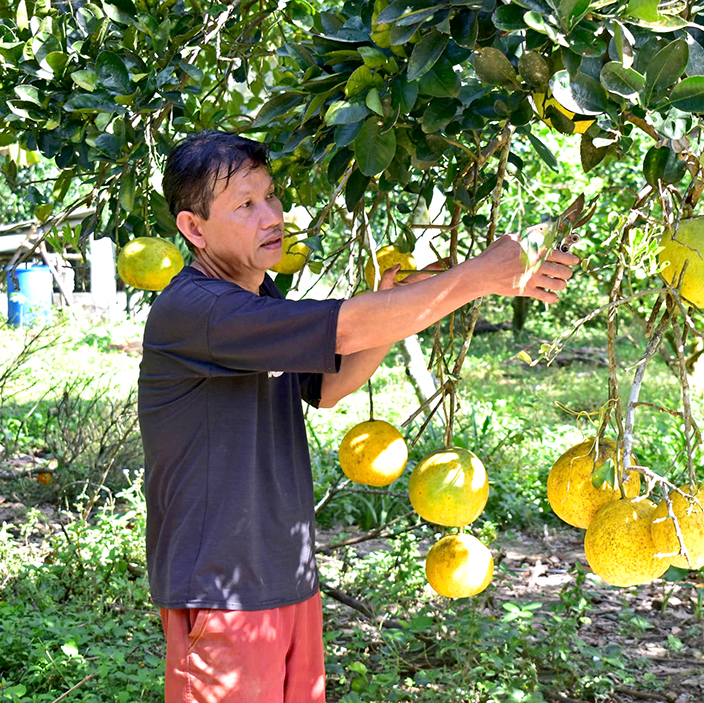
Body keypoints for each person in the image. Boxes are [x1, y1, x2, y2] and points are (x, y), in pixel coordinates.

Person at [137, 130, 577, 703]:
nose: (272, 215)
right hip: (223, 587)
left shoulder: (260, 299)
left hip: (286, 578)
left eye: (271, 196)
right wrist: (475, 278)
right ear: (194, 229)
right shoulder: (196, 310)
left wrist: (396, 301)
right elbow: (344, 326)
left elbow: (331, 385)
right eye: (246, 204)